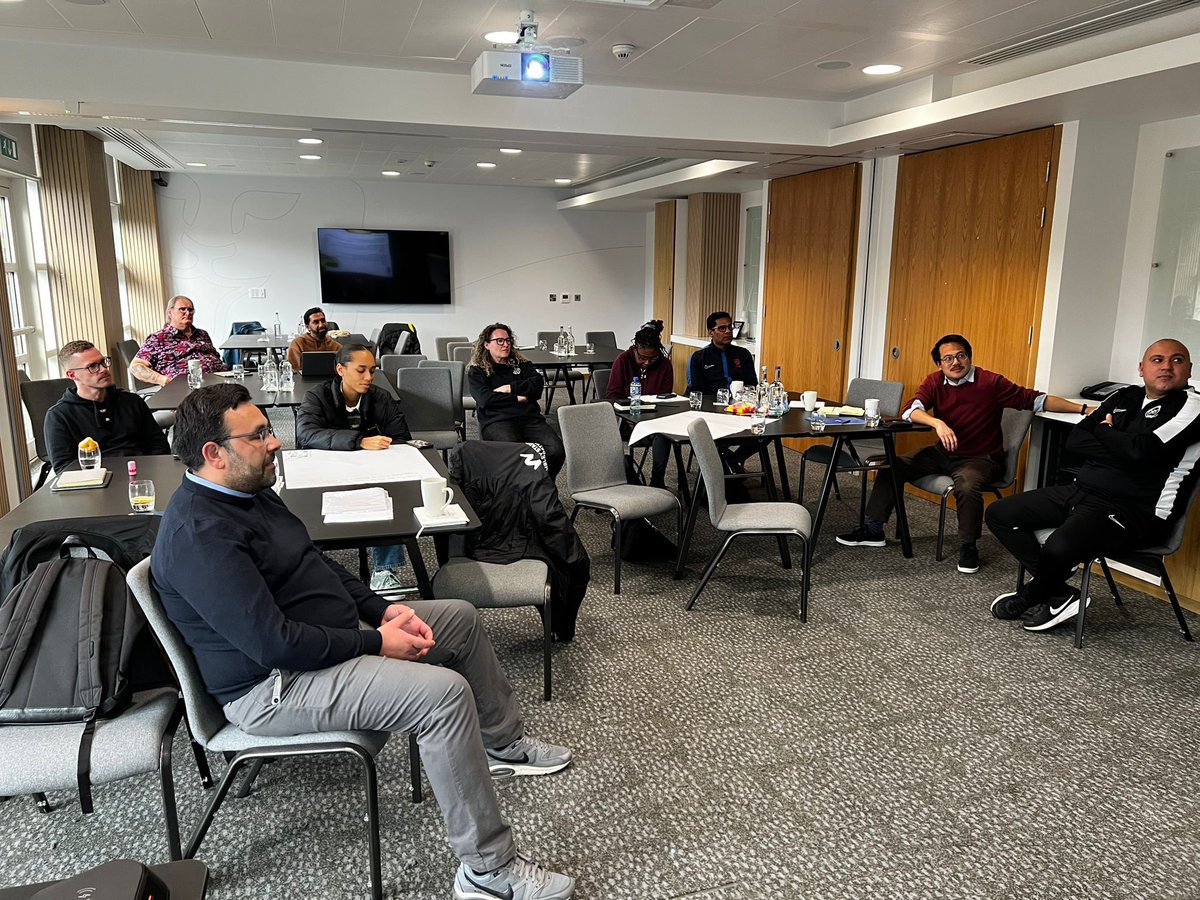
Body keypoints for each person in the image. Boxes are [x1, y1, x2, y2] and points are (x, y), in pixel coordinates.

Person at [152, 383, 576, 900]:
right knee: (440, 696)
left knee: (459, 619)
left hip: (325, 643)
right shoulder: (200, 533)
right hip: (271, 687)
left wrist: (383, 609)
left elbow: (319, 564)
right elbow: (275, 645)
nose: (275, 442)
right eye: (259, 434)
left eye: (268, 430)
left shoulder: (252, 493)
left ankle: (500, 745)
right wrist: (376, 642)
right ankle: (488, 872)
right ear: (213, 454)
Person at [987, 339, 1200, 632]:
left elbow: (1142, 450)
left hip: (1135, 511)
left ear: (1189, 369)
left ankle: (1030, 595)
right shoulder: (1125, 397)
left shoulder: (1193, 407)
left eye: (1176, 360)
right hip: (1083, 492)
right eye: (1157, 359)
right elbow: (1076, 441)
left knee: (1058, 545)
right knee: (1000, 514)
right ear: (1141, 368)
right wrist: (1123, 446)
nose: (1166, 366)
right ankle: (1060, 592)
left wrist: (1105, 433)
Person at [836, 333, 1084, 574]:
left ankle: (969, 546)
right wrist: (938, 424)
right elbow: (911, 409)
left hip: (981, 457)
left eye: (961, 355)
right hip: (943, 452)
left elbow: (1037, 401)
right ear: (939, 364)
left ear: (969, 357)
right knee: (893, 466)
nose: (955, 362)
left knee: (966, 485)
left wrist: (1083, 408)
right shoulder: (934, 381)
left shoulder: (991, 382)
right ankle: (874, 529)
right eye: (948, 358)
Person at [295, 343, 412, 592]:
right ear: (340, 369)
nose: (369, 377)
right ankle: (315, 575)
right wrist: (358, 441)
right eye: (361, 370)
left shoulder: (380, 397)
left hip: (372, 468)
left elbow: (401, 437)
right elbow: (306, 434)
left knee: (389, 497)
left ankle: (384, 571)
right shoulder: (317, 396)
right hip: (325, 467)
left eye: (372, 370)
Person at [45, 340, 171, 472]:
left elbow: (157, 443)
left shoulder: (132, 401)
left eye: (103, 362)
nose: (104, 369)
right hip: (96, 483)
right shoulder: (59, 416)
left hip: (142, 473)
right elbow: (64, 468)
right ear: (72, 375)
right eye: (92, 367)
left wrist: (154, 470)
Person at [468, 323, 565, 479]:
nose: (506, 344)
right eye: (500, 341)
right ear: (486, 344)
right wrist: (518, 397)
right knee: (516, 454)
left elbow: (537, 384)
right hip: (497, 421)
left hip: (529, 419)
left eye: (508, 340)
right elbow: (486, 399)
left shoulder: (521, 364)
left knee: (556, 450)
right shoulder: (477, 370)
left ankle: (543, 487)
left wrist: (509, 388)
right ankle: (519, 494)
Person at [607, 321, 674, 488]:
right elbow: (612, 396)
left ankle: (657, 481)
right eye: (642, 358)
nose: (647, 363)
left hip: (654, 418)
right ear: (635, 349)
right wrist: (629, 416)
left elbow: (665, 397)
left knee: (662, 433)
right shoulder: (622, 361)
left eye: (652, 358)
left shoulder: (665, 364)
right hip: (625, 421)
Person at [131, 295, 225, 386]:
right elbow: (136, 366)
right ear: (170, 313)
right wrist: (163, 380)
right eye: (182, 309)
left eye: (190, 310)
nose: (187, 313)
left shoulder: (202, 334)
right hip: (185, 388)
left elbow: (216, 357)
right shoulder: (158, 338)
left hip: (219, 381)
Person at [686, 311, 756, 395]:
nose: (728, 331)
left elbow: (752, 386)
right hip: (709, 403)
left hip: (739, 404)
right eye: (722, 328)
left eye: (730, 327)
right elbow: (695, 390)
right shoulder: (699, 357)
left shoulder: (743, 354)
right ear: (711, 332)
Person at [286, 306, 342, 371]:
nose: (321, 325)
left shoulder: (336, 346)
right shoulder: (298, 344)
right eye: (316, 322)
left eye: (323, 321)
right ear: (308, 327)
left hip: (331, 380)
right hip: (305, 380)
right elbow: (293, 370)